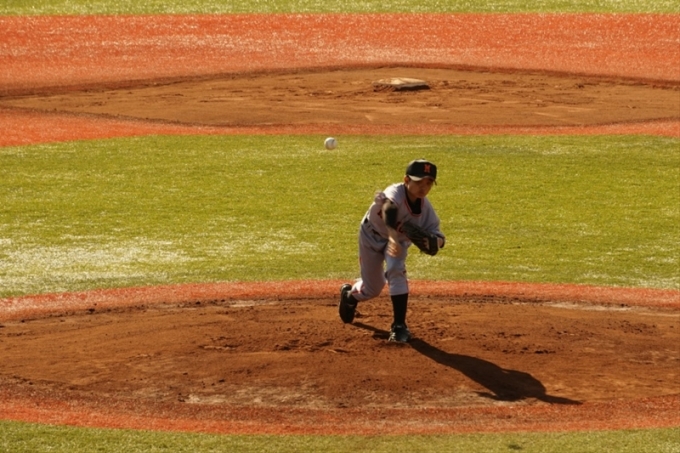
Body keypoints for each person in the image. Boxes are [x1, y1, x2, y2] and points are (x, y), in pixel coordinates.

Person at [339, 159, 446, 343]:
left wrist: (437, 242)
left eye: (428, 183)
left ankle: (399, 326)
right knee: (373, 288)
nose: (423, 187)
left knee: (396, 269)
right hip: (371, 235)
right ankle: (350, 296)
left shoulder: (426, 210)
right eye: (419, 182)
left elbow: (439, 237)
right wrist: (393, 237)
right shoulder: (395, 192)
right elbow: (389, 208)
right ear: (406, 180)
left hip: (398, 244)